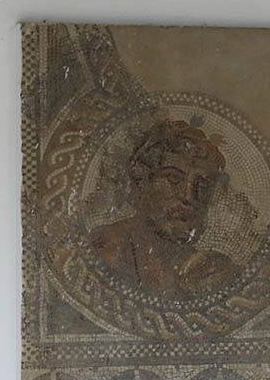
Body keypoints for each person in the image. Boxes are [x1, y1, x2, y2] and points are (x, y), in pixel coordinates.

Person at [88, 119, 240, 297]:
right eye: (173, 178)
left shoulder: (206, 268)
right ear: (141, 182)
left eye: (203, 185)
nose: (189, 196)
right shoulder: (105, 250)